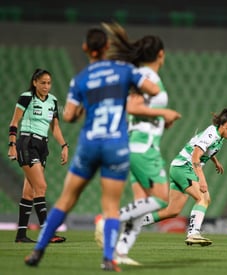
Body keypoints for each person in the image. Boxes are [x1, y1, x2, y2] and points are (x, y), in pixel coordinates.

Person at [24, 26, 160, 272]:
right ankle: (108, 259)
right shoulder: (124, 70)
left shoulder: (80, 79)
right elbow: (154, 89)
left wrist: (87, 106)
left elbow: (68, 116)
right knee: (110, 206)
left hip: (89, 144)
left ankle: (38, 251)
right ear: (107, 47)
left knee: (65, 200)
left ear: (86, 48)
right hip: (115, 145)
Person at [95, 22, 181, 266]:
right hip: (143, 148)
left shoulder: (140, 76)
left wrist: (161, 119)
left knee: (142, 204)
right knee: (163, 199)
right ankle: (109, 219)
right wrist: (164, 113)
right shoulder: (148, 77)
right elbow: (132, 106)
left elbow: (141, 111)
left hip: (134, 144)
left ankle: (119, 252)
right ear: (160, 55)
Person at [133, 108, 227, 247]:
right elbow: (195, 156)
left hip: (179, 168)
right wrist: (201, 179)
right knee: (203, 198)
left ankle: (135, 221)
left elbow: (206, 149)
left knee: (172, 211)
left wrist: (215, 161)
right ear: (226, 125)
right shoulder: (211, 134)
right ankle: (193, 233)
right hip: (184, 167)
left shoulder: (218, 136)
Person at [8, 68, 68, 244]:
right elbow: (14, 123)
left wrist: (64, 145)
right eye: (43, 82)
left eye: (49, 83)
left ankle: (20, 235)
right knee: (41, 186)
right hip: (27, 143)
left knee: (29, 192)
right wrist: (12, 145)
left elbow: (55, 127)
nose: (46, 86)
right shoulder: (27, 97)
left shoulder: (53, 101)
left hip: (42, 146)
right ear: (35, 82)